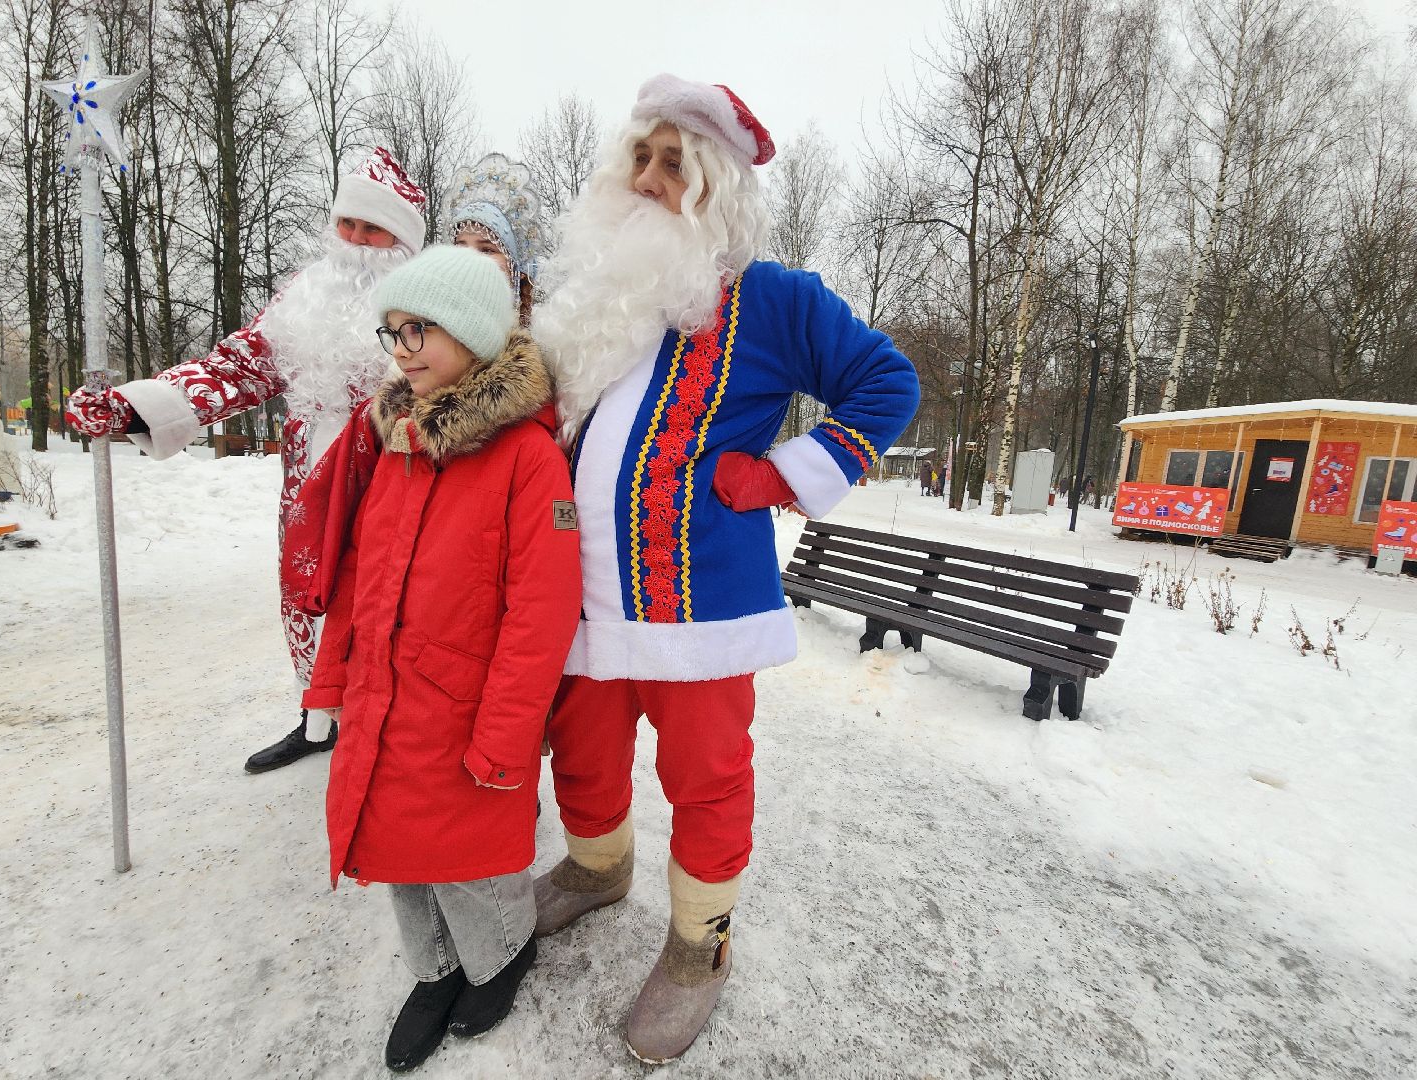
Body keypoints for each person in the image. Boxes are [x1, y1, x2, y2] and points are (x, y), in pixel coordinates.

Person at [528, 75, 921, 1063]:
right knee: (581, 753)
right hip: (581, 601)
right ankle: (597, 866)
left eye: (675, 164)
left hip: (701, 607)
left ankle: (700, 946)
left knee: (706, 777)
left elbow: (887, 382)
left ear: (716, 188)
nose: (649, 180)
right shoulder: (593, 301)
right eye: (641, 159)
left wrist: (788, 472)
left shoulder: (772, 299)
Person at [291, 244, 581, 1072]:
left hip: (466, 710)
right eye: (392, 332)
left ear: (474, 331)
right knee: (394, 846)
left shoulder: (527, 457)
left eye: (419, 328)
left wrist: (507, 733)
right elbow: (360, 575)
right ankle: (435, 968)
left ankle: (499, 955)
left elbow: (543, 609)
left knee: (471, 862)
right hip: (386, 698)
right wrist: (332, 679)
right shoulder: (400, 442)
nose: (403, 348)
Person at [65, 148, 427, 775]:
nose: (354, 240)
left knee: (386, 607)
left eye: (373, 228)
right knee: (305, 597)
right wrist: (135, 408)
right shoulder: (305, 298)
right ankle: (318, 719)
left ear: (401, 241)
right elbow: (236, 368)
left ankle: (394, 734)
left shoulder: (425, 308)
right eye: (347, 223)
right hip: (306, 485)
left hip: (388, 482)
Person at [446, 152, 545, 324]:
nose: (469, 258)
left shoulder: (545, 331)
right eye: (460, 248)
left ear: (516, 269)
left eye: (487, 250)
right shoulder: (436, 327)